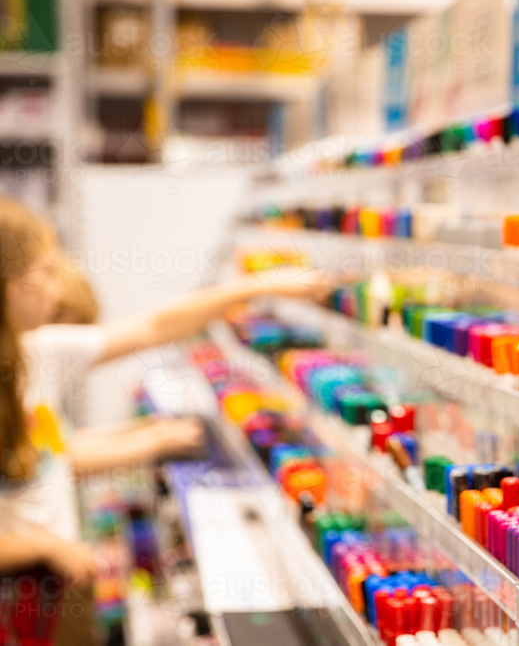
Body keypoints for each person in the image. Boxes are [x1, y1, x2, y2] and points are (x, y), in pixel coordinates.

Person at [0, 201, 332, 645]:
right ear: (12, 288)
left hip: (55, 586)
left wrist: (256, 286)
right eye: (45, 272)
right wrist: (46, 546)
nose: (57, 289)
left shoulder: (37, 353)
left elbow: (155, 326)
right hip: (22, 590)